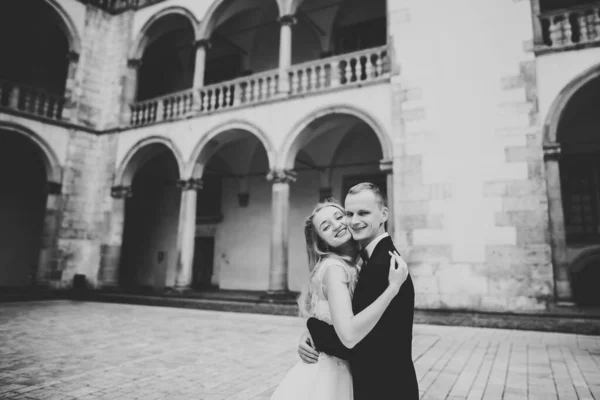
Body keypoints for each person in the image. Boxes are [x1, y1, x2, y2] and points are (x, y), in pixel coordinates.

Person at [270, 199, 408, 400]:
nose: (337, 225)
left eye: (339, 216)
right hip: (328, 375)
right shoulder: (334, 269)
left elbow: (330, 316)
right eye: (326, 226)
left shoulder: (355, 265)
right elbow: (349, 333)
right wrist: (393, 287)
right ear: (322, 242)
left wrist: (311, 332)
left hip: (342, 366)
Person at [298, 183, 419, 400]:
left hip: (384, 389)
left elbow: (353, 342)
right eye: (349, 213)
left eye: (363, 213)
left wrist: (314, 327)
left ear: (383, 214)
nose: (353, 221)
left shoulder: (381, 266)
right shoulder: (368, 261)